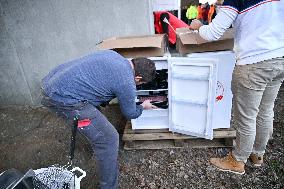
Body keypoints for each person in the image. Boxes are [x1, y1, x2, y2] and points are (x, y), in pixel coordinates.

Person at [189, 0, 284, 174]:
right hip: (279, 58)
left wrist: (198, 26)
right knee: (265, 110)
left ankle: (238, 160)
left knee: (246, 117)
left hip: (254, 62)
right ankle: (257, 154)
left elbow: (212, 33)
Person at [41, 50, 157, 188]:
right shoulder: (127, 81)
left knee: (97, 116)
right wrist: (143, 106)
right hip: (62, 99)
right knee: (109, 139)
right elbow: (130, 113)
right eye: (141, 83)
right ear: (138, 78)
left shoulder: (114, 56)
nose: (139, 85)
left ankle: (91, 137)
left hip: (52, 81)